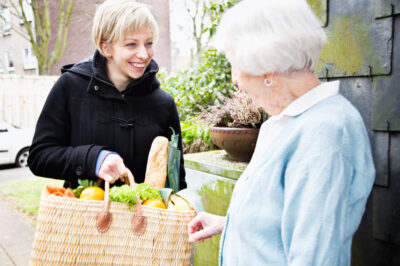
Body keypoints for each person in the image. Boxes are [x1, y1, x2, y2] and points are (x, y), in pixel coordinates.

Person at [188, 0, 375, 265]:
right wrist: (229, 224)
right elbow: (280, 220)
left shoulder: (325, 134)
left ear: (266, 66)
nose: (234, 79)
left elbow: (314, 257)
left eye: (235, 64)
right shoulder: (287, 122)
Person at [28, 0, 186, 189]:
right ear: (106, 47)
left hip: (142, 217)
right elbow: (40, 156)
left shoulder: (163, 104)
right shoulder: (70, 87)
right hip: (83, 216)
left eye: (149, 43)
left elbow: (177, 180)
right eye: (131, 44)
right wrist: (94, 159)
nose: (144, 54)